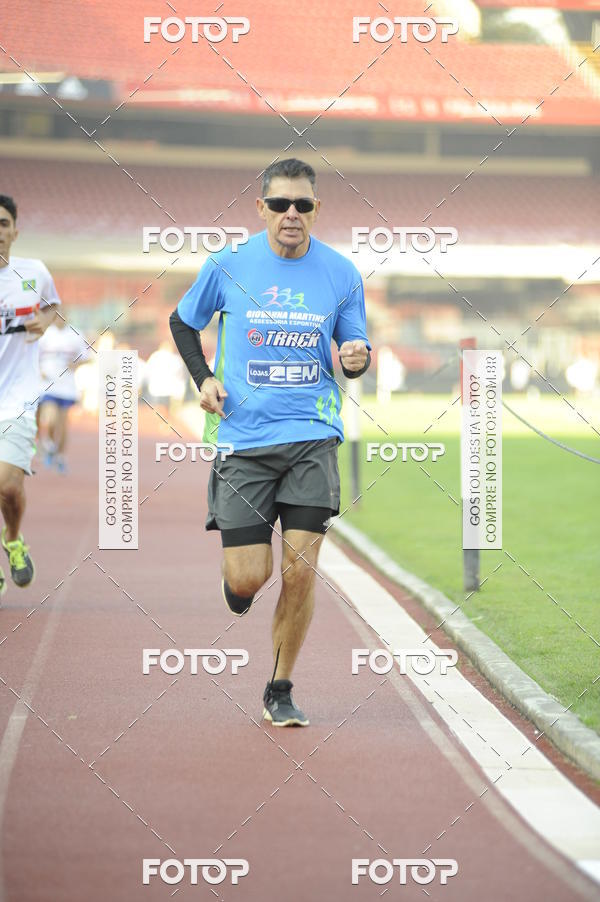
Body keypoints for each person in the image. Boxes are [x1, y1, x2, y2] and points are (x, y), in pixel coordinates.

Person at [170, 159, 371, 726]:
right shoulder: (228, 265)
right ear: (260, 208)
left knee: (302, 571)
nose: (291, 214)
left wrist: (356, 358)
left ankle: (279, 687)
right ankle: (240, 582)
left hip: (313, 438)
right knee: (249, 578)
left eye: (302, 205)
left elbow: (355, 348)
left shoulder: (341, 273)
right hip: (244, 440)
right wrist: (203, 378)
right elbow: (183, 322)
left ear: (315, 210)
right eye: (280, 204)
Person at [0, 195, 60, 595]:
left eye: (4, 223)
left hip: (17, 397)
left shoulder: (32, 273)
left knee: (6, 485)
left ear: (15, 232)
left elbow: (53, 305)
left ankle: (14, 538)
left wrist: (44, 319)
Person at [38, 312, 89, 473]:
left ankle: (60, 455)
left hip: (67, 386)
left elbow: (87, 356)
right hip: (49, 384)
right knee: (51, 418)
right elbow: (32, 356)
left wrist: (76, 364)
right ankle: (49, 443)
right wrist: (40, 371)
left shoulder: (76, 334)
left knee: (63, 423)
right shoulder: (45, 334)